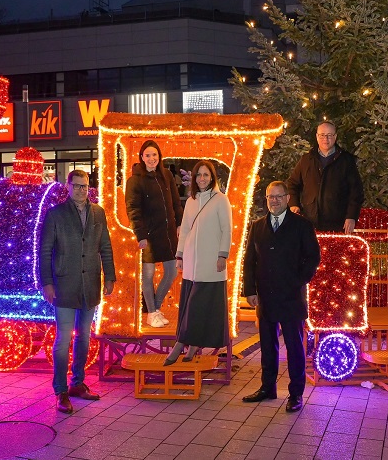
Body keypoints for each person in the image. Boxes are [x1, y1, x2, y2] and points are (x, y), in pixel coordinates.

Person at [39, 170, 115, 414]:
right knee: (63, 340)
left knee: (84, 336)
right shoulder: (56, 214)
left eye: (85, 186)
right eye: (77, 186)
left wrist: (110, 276)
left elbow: (105, 246)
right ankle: (60, 390)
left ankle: (78, 384)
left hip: (90, 283)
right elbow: (45, 251)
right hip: (64, 283)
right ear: (68, 187)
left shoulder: (98, 213)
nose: (82, 190)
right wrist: (47, 283)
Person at [242, 181, 321, 413]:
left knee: (295, 347)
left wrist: (298, 281)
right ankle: (268, 388)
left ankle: (296, 393)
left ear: (287, 198)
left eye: (278, 196)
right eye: (269, 197)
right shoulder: (257, 226)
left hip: (291, 297)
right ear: (266, 199)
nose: (274, 201)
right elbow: (249, 262)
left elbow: (312, 257)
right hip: (265, 297)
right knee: (267, 345)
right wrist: (250, 290)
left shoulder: (302, 226)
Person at [165, 160, 233, 365]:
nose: (202, 178)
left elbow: (227, 229)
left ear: (212, 177)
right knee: (191, 306)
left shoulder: (221, 199)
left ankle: (181, 342)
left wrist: (223, 255)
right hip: (192, 263)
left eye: (206, 175)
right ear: (194, 178)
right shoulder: (192, 201)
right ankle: (193, 345)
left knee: (196, 306)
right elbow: (185, 229)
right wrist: (180, 255)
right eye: (199, 175)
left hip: (211, 264)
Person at [125, 140, 183, 328]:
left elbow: (175, 202)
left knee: (172, 271)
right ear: (142, 157)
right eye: (148, 155)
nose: (151, 159)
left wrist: (180, 224)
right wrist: (140, 235)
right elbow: (133, 209)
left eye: (154, 155)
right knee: (148, 274)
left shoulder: (166, 175)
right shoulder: (135, 180)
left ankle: (154, 309)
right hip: (148, 235)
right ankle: (151, 312)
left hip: (167, 234)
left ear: (159, 157)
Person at [287, 121, 364, 233]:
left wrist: (351, 216)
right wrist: (293, 204)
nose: (326, 139)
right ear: (317, 136)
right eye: (322, 135)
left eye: (329, 135)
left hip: (338, 224)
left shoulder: (346, 161)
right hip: (309, 223)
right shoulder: (306, 160)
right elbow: (292, 183)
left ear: (335, 136)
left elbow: (356, 191)